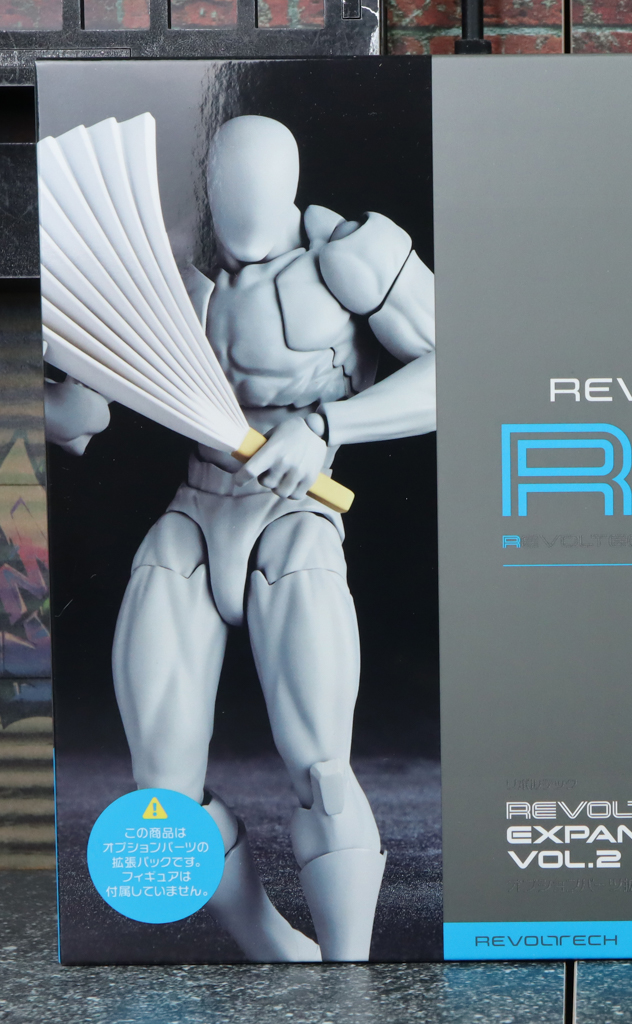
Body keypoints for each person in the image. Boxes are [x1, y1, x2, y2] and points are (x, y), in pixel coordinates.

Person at [44, 114, 436, 961]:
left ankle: (348, 974)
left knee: (324, 773)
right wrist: (45, 369)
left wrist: (329, 425)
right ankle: (273, 948)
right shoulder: (171, 278)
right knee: (161, 792)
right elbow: (82, 420)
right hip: (194, 515)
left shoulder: (349, 258)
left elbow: (463, 371)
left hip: (295, 518)